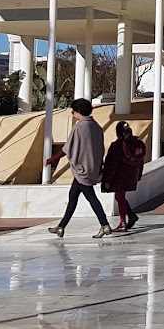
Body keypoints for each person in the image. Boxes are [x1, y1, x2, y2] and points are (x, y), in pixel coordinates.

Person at [46, 98, 112, 239]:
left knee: (91, 197)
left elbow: (67, 148)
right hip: (92, 168)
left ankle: (104, 224)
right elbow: (100, 149)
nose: (73, 114)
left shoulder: (79, 127)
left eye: (74, 111)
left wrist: (53, 159)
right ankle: (61, 227)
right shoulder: (97, 127)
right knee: (73, 197)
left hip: (82, 169)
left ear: (78, 112)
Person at [102, 120, 148, 232]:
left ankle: (123, 222)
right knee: (120, 198)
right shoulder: (138, 143)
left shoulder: (116, 146)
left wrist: (107, 179)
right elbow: (140, 161)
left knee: (120, 198)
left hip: (120, 176)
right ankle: (131, 215)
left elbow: (111, 164)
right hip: (131, 175)